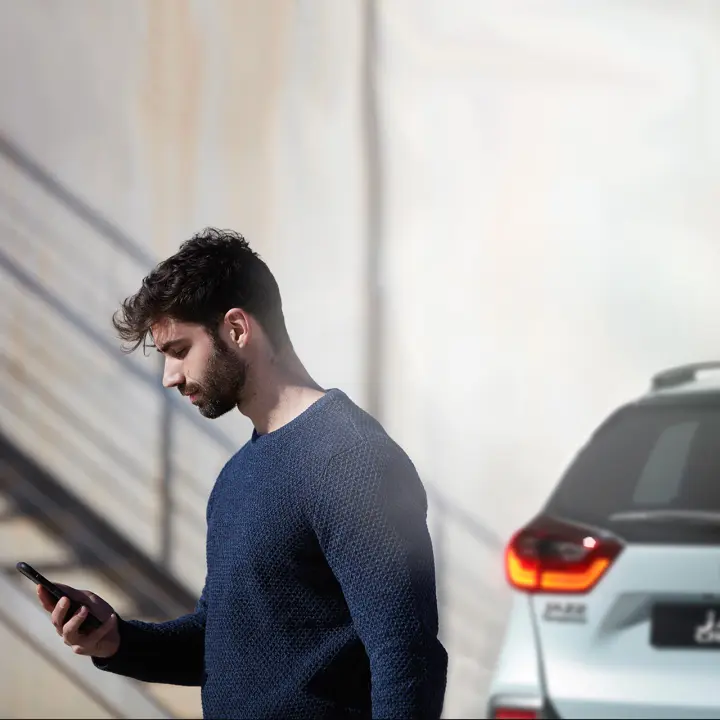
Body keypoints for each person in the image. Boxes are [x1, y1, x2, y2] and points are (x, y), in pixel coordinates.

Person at [36, 228, 448, 719]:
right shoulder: (237, 476)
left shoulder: (353, 460)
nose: (169, 376)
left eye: (178, 350)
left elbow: (406, 658)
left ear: (236, 329)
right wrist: (116, 640)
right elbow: (225, 646)